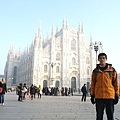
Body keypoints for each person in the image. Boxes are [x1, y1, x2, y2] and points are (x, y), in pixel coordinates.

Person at [90, 53, 119, 120]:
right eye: (100, 58)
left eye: (103, 58)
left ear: (106, 59)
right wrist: (92, 95)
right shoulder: (95, 71)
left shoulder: (112, 70)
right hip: (99, 96)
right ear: (98, 60)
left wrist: (117, 94)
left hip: (109, 96)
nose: (102, 60)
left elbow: (116, 83)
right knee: (99, 116)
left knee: (110, 115)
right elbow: (93, 83)